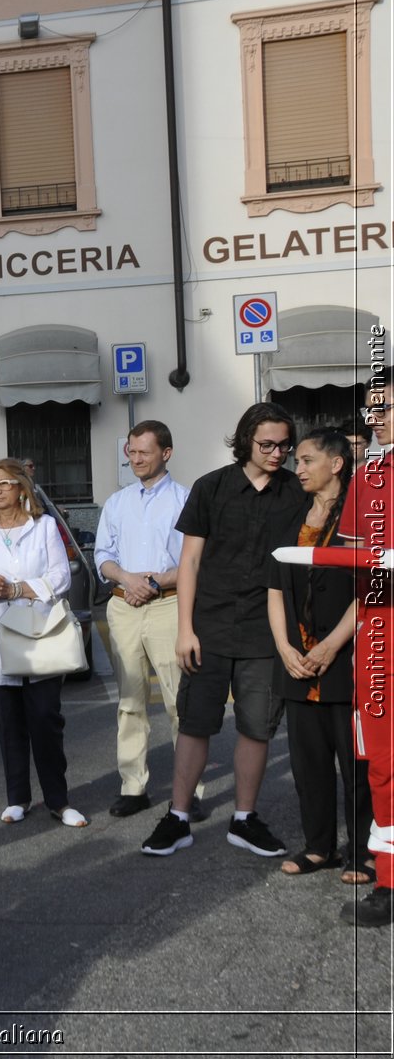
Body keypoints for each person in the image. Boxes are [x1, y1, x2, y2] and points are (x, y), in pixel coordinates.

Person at [141, 403, 307, 858]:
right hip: (209, 626)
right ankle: (177, 817)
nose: (278, 454)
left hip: (266, 630)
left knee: (258, 727)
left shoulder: (296, 491)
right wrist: (184, 629)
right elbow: (189, 562)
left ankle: (244, 819)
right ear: (245, 440)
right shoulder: (211, 487)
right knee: (195, 723)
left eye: (284, 446)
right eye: (267, 445)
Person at [0, 460, 87, 828]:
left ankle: (58, 800)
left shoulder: (43, 527)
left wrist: (17, 589)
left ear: (22, 487)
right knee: (8, 723)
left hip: (36, 635)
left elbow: (60, 576)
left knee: (45, 719)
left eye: (3, 483)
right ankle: (18, 798)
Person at [267, 428, 371, 884]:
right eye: (298, 461)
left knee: (356, 763)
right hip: (296, 660)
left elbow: (370, 587)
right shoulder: (292, 517)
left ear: (336, 463)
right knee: (308, 761)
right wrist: (285, 647)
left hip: (346, 656)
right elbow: (273, 588)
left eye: (307, 459)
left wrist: (331, 645)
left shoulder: (361, 512)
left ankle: (366, 851)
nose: (298, 467)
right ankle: (319, 847)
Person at [94, 421, 199, 819]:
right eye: (131, 452)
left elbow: (193, 559)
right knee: (130, 702)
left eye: (144, 452)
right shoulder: (117, 502)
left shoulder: (185, 499)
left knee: (178, 701)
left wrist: (154, 581)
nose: (135, 459)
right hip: (123, 606)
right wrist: (127, 579)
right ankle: (133, 786)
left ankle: (190, 791)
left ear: (166, 453)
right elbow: (103, 555)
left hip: (168, 605)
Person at [341, 379, 394, 926]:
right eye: (369, 410)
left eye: (384, 409)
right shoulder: (369, 477)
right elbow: (356, 557)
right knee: (382, 766)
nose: (373, 419)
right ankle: (389, 879)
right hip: (381, 637)